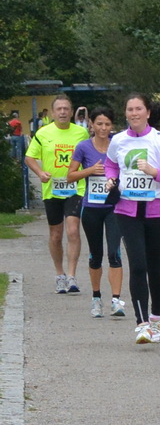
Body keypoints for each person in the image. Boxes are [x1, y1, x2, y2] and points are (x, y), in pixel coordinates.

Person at [106, 94, 160, 343]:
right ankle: (141, 325)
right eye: (130, 109)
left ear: (148, 112)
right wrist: (111, 179)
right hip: (127, 211)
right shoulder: (118, 140)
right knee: (137, 265)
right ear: (125, 113)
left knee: (154, 266)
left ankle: (156, 318)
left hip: (158, 211)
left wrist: (154, 172)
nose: (134, 113)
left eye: (138, 108)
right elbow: (110, 164)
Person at [23, 95, 87, 294]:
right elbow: (29, 157)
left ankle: (72, 276)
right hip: (52, 190)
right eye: (59, 109)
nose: (63, 112)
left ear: (71, 112)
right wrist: (40, 173)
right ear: (52, 112)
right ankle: (60, 274)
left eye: (66, 108)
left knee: (73, 230)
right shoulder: (43, 133)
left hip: (76, 188)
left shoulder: (81, 133)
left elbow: (90, 154)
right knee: (56, 234)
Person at [69, 107, 128, 318]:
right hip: (92, 208)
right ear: (91, 125)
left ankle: (116, 300)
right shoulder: (83, 147)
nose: (103, 128)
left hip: (114, 208)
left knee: (114, 253)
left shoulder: (118, 145)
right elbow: (70, 176)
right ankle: (96, 298)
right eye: (99, 124)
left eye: (107, 124)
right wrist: (90, 171)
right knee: (96, 255)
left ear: (112, 125)